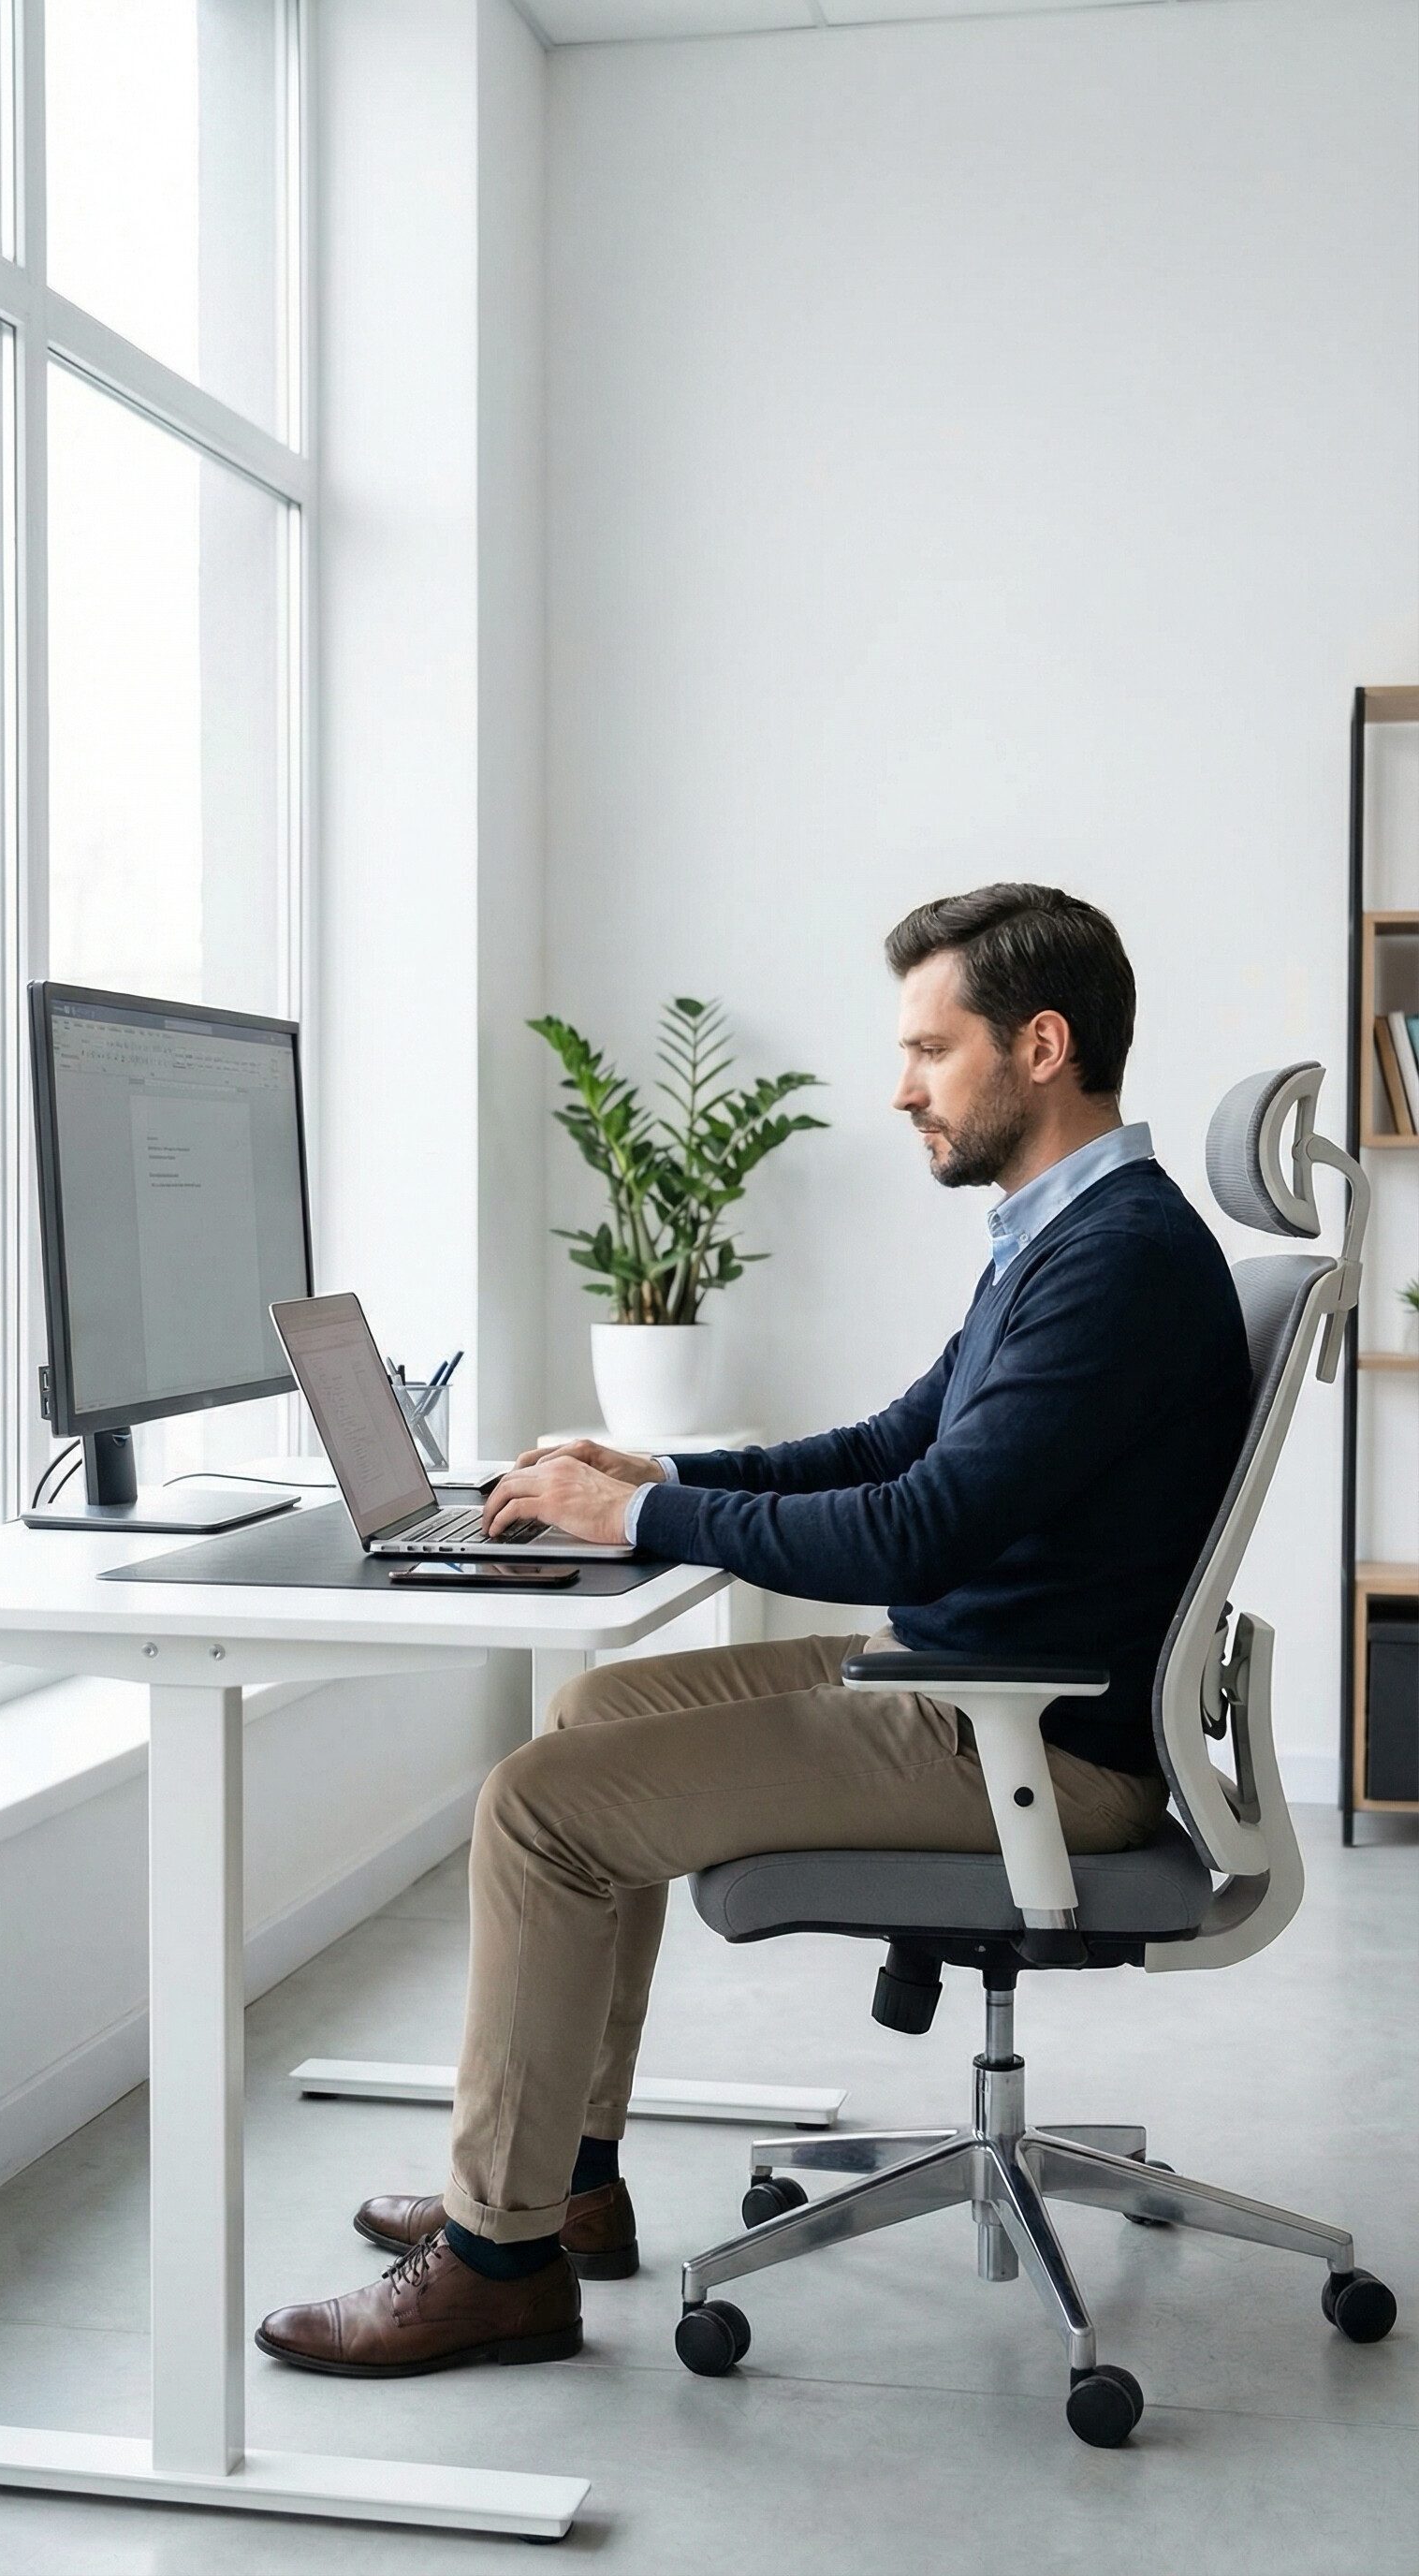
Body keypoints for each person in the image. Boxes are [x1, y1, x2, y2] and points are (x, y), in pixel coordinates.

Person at [256, 882, 1251, 2378]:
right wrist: (658, 1475)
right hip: (982, 1684)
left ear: (1042, 1045)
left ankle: (497, 2261)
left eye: (932, 1048)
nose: (901, 1085)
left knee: (537, 1812)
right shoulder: (1066, 1233)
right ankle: (566, 2185)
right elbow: (892, 1444)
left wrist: (636, 1525)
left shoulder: (1115, 1262)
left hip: (1030, 1735)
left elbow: (914, 1529)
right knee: (592, 1725)